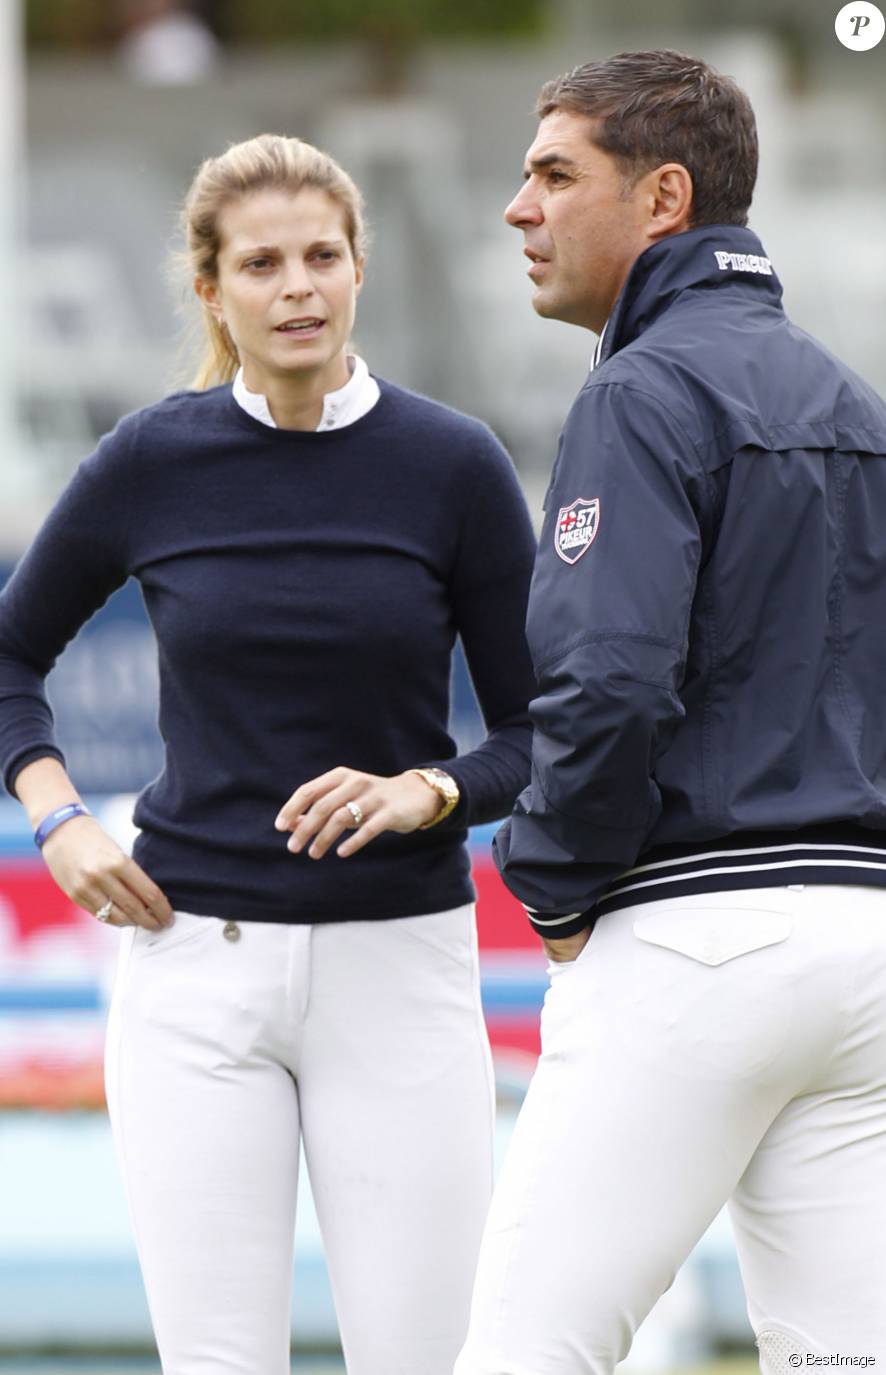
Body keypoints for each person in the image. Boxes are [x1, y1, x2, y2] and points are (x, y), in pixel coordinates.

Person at [0, 133, 539, 1375]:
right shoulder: (149, 459)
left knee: (422, 1358)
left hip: (402, 967)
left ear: (358, 270)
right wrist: (58, 817)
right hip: (190, 973)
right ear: (210, 288)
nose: (297, 287)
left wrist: (429, 788)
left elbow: (542, 729)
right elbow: (0, 656)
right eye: (262, 263)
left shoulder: (453, 464)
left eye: (321, 256)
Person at [453, 49, 886, 1375]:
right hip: (863, 942)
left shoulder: (637, 391)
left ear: (662, 200)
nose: (518, 209)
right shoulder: (855, 404)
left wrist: (555, 880)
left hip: (693, 935)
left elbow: (607, 684)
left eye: (551, 174)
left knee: (527, 1348)